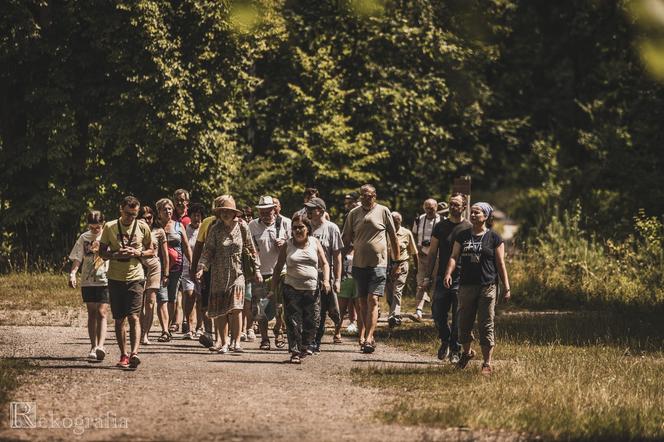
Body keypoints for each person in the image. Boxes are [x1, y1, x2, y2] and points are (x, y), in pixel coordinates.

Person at [443, 202, 511, 375]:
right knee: (463, 323)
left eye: (477, 212)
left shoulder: (494, 238)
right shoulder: (462, 235)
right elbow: (454, 256)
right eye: (471, 212)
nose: (473, 215)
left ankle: (487, 363)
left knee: (486, 323)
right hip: (466, 285)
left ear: (486, 216)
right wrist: (448, 273)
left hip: (487, 285)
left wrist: (506, 286)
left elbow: (500, 263)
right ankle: (467, 353)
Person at [196, 195, 261, 354]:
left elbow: (251, 248)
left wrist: (257, 269)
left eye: (229, 211)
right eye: (223, 211)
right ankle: (224, 342)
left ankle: (236, 342)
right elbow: (208, 250)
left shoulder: (242, 226)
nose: (226, 213)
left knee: (237, 308)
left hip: (237, 272)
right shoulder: (215, 228)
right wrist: (201, 267)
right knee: (221, 310)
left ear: (234, 213)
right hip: (218, 273)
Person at [342, 184, 398, 353]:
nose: (366, 198)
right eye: (363, 195)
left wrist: (396, 261)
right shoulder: (353, 213)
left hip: (379, 264)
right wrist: (339, 257)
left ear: (375, 196)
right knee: (361, 303)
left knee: (373, 300)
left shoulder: (383, 211)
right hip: (359, 264)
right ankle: (365, 334)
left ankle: (368, 337)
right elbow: (345, 237)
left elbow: (393, 237)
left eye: (369, 195)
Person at [99, 196, 153, 368]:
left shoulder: (143, 227)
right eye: (128, 214)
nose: (131, 218)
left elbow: (152, 250)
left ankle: (134, 353)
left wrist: (138, 253)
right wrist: (116, 255)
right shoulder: (110, 226)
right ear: (121, 209)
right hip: (115, 277)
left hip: (136, 277)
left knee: (134, 316)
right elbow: (101, 252)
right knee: (119, 319)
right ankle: (123, 355)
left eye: (134, 214)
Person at [272, 214, 330, 363]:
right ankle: (295, 352)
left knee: (313, 321)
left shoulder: (314, 242)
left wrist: (326, 280)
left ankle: (305, 345)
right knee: (292, 321)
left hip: (312, 289)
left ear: (308, 229)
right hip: (291, 288)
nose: (298, 230)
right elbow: (278, 268)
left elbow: (324, 263)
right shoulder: (288, 244)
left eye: (301, 227)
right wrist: (273, 288)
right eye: (295, 228)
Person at [422, 193, 471, 363]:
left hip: (462, 278)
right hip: (442, 276)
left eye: (457, 204)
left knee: (458, 316)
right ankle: (445, 340)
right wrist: (427, 277)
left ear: (464, 207)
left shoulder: (469, 228)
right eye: (451, 204)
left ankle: (455, 349)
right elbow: (433, 253)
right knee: (437, 313)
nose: (453, 207)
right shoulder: (440, 227)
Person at [248, 195, 291, 350]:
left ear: (274, 209)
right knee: (260, 308)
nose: (265, 213)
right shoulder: (252, 225)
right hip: (260, 272)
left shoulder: (286, 223)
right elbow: (249, 249)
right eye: (262, 211)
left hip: (281, 272)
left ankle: (279, 330)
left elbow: (295, 244)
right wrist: (255, 270)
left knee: (281, 305)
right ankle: (265, 339)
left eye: (268, 210)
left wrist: (285, 244)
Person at [68, 210, 110, 361]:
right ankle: (93, 346)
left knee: (102, 312)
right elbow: (77, 258)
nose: (94, 230)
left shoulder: (108, 236)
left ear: (102, 224)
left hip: (105, 279)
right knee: (92, 313)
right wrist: (73, 273)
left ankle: (101, 346)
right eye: (91, 227)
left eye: (97, 227)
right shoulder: (84, 237)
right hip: (87, 280)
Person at [306, 197, 343, 351]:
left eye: (311, 208)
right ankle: (306, 340)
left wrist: (337, 280)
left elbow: (337, 256)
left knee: (321, 311)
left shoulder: (331, 228)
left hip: (324, 275)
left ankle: (316, 341)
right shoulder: (305, 227)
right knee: (307, 309)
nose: (308, 211)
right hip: (306, 274)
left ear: (320, 210)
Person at [156, 198, 192, 335]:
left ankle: (170, 324)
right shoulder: (155, 227)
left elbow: (186, 246)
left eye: (170, 208)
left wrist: (193, 264)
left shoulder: (178, 226)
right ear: (159, 212)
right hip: (158, 268)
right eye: (164, 209)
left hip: (177, 268)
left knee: (172, 298)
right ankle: (165, 329)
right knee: (162, 298)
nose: (168, 211)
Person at [138, 206, 169, 345]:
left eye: (150, 217)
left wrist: (166, 273)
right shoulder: (135, 230)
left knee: (150, 303)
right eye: (144, 217)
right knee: (138, 304)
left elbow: (165, 254)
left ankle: (145, 334)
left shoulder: (159, 231)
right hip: (137, 267)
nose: (147, 220)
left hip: (154, 268)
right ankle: (139, 331)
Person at [386, 211, 418, 327]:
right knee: (389, 293)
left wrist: (416, 268)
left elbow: (414, 252)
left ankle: (393, 316)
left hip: (402, 264)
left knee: (397, 290)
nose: (393, 223)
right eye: (391, 221)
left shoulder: (406, 233)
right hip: (388, 264)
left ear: (400, 221)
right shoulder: (385, 233)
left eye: (396, 221)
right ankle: (394, 313)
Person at [412, 199, 440, 321]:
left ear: (436, 208)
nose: (429, 210)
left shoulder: (442, 220)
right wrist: (416, 249)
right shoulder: (419, 219)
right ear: (424, 208)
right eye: (427, 208)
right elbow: (414, 235)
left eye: (432, 208)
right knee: (421, 283)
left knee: (435, 284)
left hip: (437, 256)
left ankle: (435, 310)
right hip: (422, 255)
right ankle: (418, 311)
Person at [181, 203, 204, 339]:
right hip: (187, 267)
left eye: (199, 215)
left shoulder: (205, 229)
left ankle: (199, 327)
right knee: (189, 296)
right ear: (190, 216)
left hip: (201, 268)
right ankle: (189, 328)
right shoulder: (185, 229)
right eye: (194, 215)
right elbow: (184, 247)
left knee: (200, 298)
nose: (196, 217)